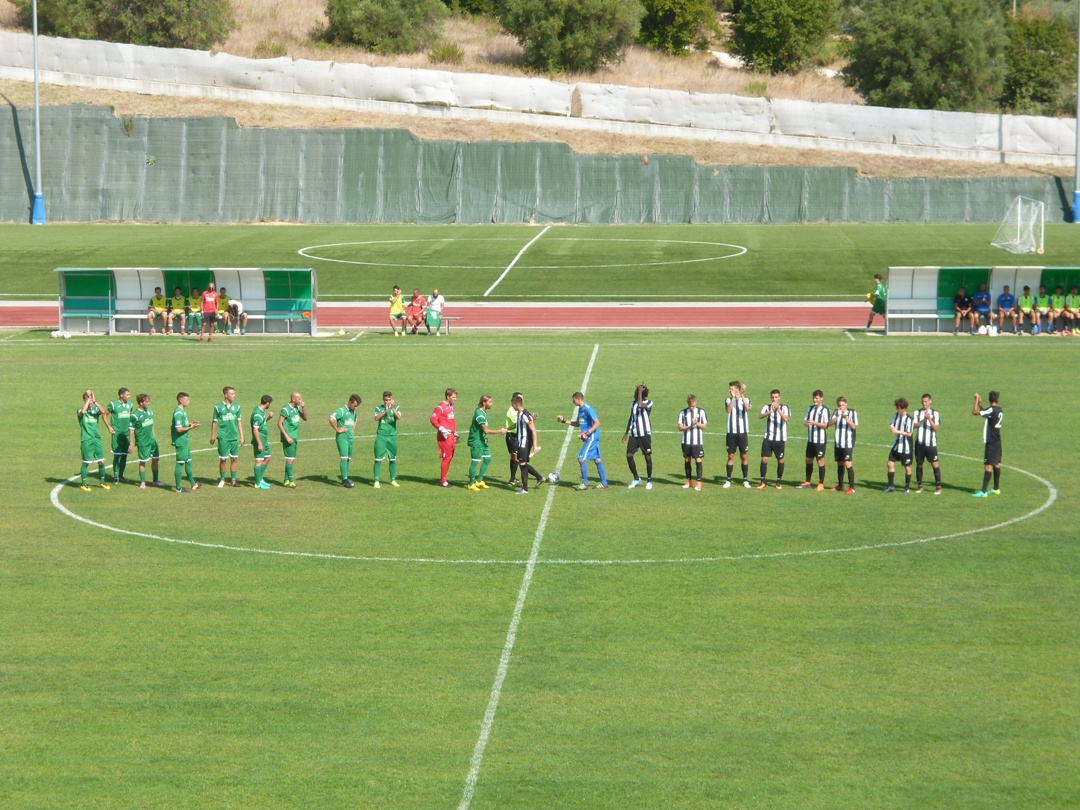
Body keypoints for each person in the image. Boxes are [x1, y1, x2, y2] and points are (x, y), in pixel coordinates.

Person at [557, 392, 607, 490]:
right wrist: (564, 420)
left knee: (581, 458)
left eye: (573, 400)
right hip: (591, 437)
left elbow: (597, 423)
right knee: (597, 459)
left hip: (592, 437)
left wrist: (587, 434)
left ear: (578, 399)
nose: (572, 402)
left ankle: (584, 484)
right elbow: (577, 424)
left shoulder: (588, 409)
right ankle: (604, 483)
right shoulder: (580, 410)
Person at [467, 395, 507, 491]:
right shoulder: (479, 414)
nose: (491, 404)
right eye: (490, 402)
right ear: (484, 403)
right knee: (475, 461)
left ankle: (479, 481)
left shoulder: (483, 412)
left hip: (482, 440)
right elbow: (486, 430)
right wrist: (500, 431)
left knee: (487, 459)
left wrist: (484, 438)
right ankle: (471, 484)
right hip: (476, 441)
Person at [77, 389, 113, 491]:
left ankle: (102, 482)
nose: (90, 402)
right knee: (86, 462)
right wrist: (88, 399)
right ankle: (84, 483)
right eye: (87, 399)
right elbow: (83, 412)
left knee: (101, 461)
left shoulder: (94, 411)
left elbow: (103, 412)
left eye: (91, 400)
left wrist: (95, 401)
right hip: (86, 439)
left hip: (96, 439)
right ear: (84, 400)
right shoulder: (80, 411)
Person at [210, 385, 244, 487]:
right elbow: (214, 422)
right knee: (223, 459)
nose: (234, 395)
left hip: (234, 436)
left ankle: (233, 480)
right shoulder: (218, 407)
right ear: (226, 395)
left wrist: (242, 436)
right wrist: (213, 436)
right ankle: (222, 479)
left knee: (234, 459)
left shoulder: (237, 407)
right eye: (232, 394)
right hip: (223, 437)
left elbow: (239, 422)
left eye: (234, 393)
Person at [128, 392, 165, 489]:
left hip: (152, 441)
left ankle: (155, 480)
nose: (148, 403)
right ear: (141, 403)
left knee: (156, 459)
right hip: (143, 442)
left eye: (148, 401)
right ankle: (143, 482)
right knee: (143, 461)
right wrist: (131, 444)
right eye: (146, 402)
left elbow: (151, 426)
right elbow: (131, 431)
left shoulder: (150, 411)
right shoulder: (135, 416)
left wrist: (154, 437)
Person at [622, 384, 654, 489]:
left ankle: (649, 480)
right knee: (629, 455)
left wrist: (640, 392)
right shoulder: (633, 404)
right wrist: (626, 432)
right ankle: (636, 478)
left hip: (645, 434)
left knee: (647, 456)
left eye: (638, 392)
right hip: (634, 434)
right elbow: (631, 417)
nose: (636, 393)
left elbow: (641, 405)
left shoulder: (649, 403)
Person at [797, 389, 830, 491]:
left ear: (821, 398)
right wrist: (806, 423)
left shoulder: (825, 410)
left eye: (817, 398)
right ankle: (807, 481)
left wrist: (814, 423)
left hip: (820, 441)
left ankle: (821, 484)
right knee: (808, 460)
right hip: (811, 440)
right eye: (814, 398)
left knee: (820, 460)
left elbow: (826, 425)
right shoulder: (810, 409)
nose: (815, 400)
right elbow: (805, 422)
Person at [972, 390, 1003, 497]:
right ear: (997, 400)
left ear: (990, 400)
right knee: (996, 464)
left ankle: (983, 491)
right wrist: (981, 404)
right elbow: (986, 413)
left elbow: (975, 412)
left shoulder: (991, 410)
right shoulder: (999, 410)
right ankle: (996, 488)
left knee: (988, 466)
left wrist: (976, 401)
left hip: (991, 442)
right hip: (997, 441)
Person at [756, 388, 789, 489]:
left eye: (776, 397)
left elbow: (786, 418)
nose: (774, 399)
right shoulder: (767, 407)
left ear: (779, 398)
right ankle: (762, 482)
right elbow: (760, 416)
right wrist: (769, 412)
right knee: (764, 459)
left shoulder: (784, 407)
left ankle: (778, 482)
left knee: (780, 460)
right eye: (773, 397)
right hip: (768, 438)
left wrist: (778, 409)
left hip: (779, 439)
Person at [512, 394, 545, 494]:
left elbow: (533, 430)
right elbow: (519, 425)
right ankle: (539, 477)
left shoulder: (524, 415)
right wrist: (507, 429)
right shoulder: (520, 414)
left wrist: (534, 445)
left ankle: (525, 489)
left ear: (516, 404)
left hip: (524, 443)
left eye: (513, 404)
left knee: (522, 464)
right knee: (522, 463)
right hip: (521, 443)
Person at [912, 393, 942, 495]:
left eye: (926, 401)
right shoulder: (917, 412)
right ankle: (920, 486)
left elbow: (935, 427)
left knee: (934, 464)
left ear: (930, 401)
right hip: (919, 444)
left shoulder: (935, 413)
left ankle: (938, 487)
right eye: (922, 402)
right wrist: (923, 420)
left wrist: (929, 419)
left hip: (931, 444)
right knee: (919, 464)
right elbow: (914, 425)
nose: (924, 403)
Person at [171, 391, 201, 493]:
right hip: (180, 441)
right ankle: (178, 488)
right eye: (187, 400)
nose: (189, 401)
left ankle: (193, 484)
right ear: (181, 400)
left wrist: (191, 424)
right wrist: (191, 428)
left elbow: (183, 423)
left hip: (185, 440)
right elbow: (178, 429)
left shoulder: (182, 411)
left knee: (188, 462)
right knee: (180, 463)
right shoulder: (178, 412)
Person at [724, 380, 752, 489]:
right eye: (730, 389)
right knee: (731, 455)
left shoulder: (746, 399)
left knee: (743, 455)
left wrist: (742, 395)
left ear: (737, 389)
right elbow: (728, 410)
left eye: (732, 389)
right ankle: (728, 479)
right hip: (731, 432)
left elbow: (747, 408)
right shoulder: (727, 400)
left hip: (742, 432)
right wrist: (733, 399)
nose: (730, 390)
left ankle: (745, 479)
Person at [329, 394, 361, 488]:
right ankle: (344, 480)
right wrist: (337, 429)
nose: (355, 408)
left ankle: (345, 477)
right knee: (344, 458)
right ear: (350, 402)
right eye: (354, 405)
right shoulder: (341, 410)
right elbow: (331, 419)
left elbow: (356, 419)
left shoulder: (353, 412)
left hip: (350, 437)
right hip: (342, 438)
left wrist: (353, 429)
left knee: (348, 459)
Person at [883, 397, 914, 494]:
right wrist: (892, 427)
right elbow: (892, 424)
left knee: (907, 467)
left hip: (906, 447)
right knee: (890, 463)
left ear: (904, 408)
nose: (897, 410)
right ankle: (891, 486)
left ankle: (907, 488)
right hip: (897, 445)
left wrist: (897, 431)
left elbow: (909, 433)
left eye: (898, 408)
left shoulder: (909, 419)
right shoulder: (896, 415)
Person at [828, 396, 858, 494]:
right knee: (840, 463)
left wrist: (845, 418)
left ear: (846, 404)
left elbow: (854, 426)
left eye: (843, 405)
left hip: (847, 443)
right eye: (839, 405)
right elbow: (830, 424)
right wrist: (838, 416)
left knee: (848, 463)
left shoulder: (852, 413)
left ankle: (852, 487)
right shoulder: (836, 412)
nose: (841, 407)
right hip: (838, 442)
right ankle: (840, 485)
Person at [277, 391, 307, 488]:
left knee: (292, 459)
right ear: (293, 399)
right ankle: (291, 481)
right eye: (299, 399)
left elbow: (305, 418)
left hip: (294, 437)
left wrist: (303, 407)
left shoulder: (297, 408)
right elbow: (279, 423)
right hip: (289, 437)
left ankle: (286, 480)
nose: (301, 400)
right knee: (290, 459)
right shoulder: (286, 409)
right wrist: (287, 436)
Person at [373, 391, 402, 488]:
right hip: (381, 436)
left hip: (392, 437)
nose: (388, 401)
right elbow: (376, 418)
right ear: (383, 399)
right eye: (386, 400)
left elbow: (399, 417)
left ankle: (393, 480)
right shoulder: (379, 408)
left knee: (392, 459)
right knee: (378, 459)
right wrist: (385, 411)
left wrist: (392, 408)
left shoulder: (396, 407)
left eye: (389, 400)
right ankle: (376, 481)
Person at [678, 394, 707, 490]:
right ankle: (689, 481)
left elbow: (704, 426)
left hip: (697, 441)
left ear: (696, 402)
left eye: (693, 405)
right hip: (686, 441)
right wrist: (689, 426)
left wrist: (696, 423)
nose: (692, 407)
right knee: (687, 459)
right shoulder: (683, 413)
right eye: (690, 405)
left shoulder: (701, 412)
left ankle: (699, 482)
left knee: (698, 459)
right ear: (688, 404)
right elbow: (680, 427)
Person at [430, 388, 458, 486]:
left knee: (450, 457)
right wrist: (441, 429)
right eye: (454, 397)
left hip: (451, 436)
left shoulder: (450, 407)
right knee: (446, 457)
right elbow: (433, 419)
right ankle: (443, 481)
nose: (455, 399)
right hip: (444, 436)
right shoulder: (440, 407)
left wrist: (455, 432)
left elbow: (451, 421)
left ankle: (445, 478)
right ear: (448, 396)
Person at [107, 387, 133, 483]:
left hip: (126, 434)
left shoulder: (130, 404)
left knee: (124, 456)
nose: (129, 396)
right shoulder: (113, 404)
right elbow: (104, 414)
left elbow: (131, 416)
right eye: (127, 395)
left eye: (129, 395)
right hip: (117, 434)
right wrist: (109, 427)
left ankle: (121, 475)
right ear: (121, 395)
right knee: (117, 455)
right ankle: (116, 476)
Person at [251, 394, 273, 490]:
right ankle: (257, 483)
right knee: (259, 460)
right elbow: (255, 430)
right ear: (267, 403)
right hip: (259, 440)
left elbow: (261, 424)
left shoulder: (262, 411)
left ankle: (260, 479)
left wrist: (268, 418)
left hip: (264, 440)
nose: (270, 405)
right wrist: (259, 443)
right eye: (270, 404)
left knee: (267, 458)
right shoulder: (257, 414)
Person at [505, 391, 522, 487]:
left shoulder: (517, 410)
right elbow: (518, 423)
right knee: (516, 457)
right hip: (512, 436)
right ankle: (512, 479)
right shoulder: (512, 411)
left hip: (516, 436)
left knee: (515, 457)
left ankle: (513, 478)